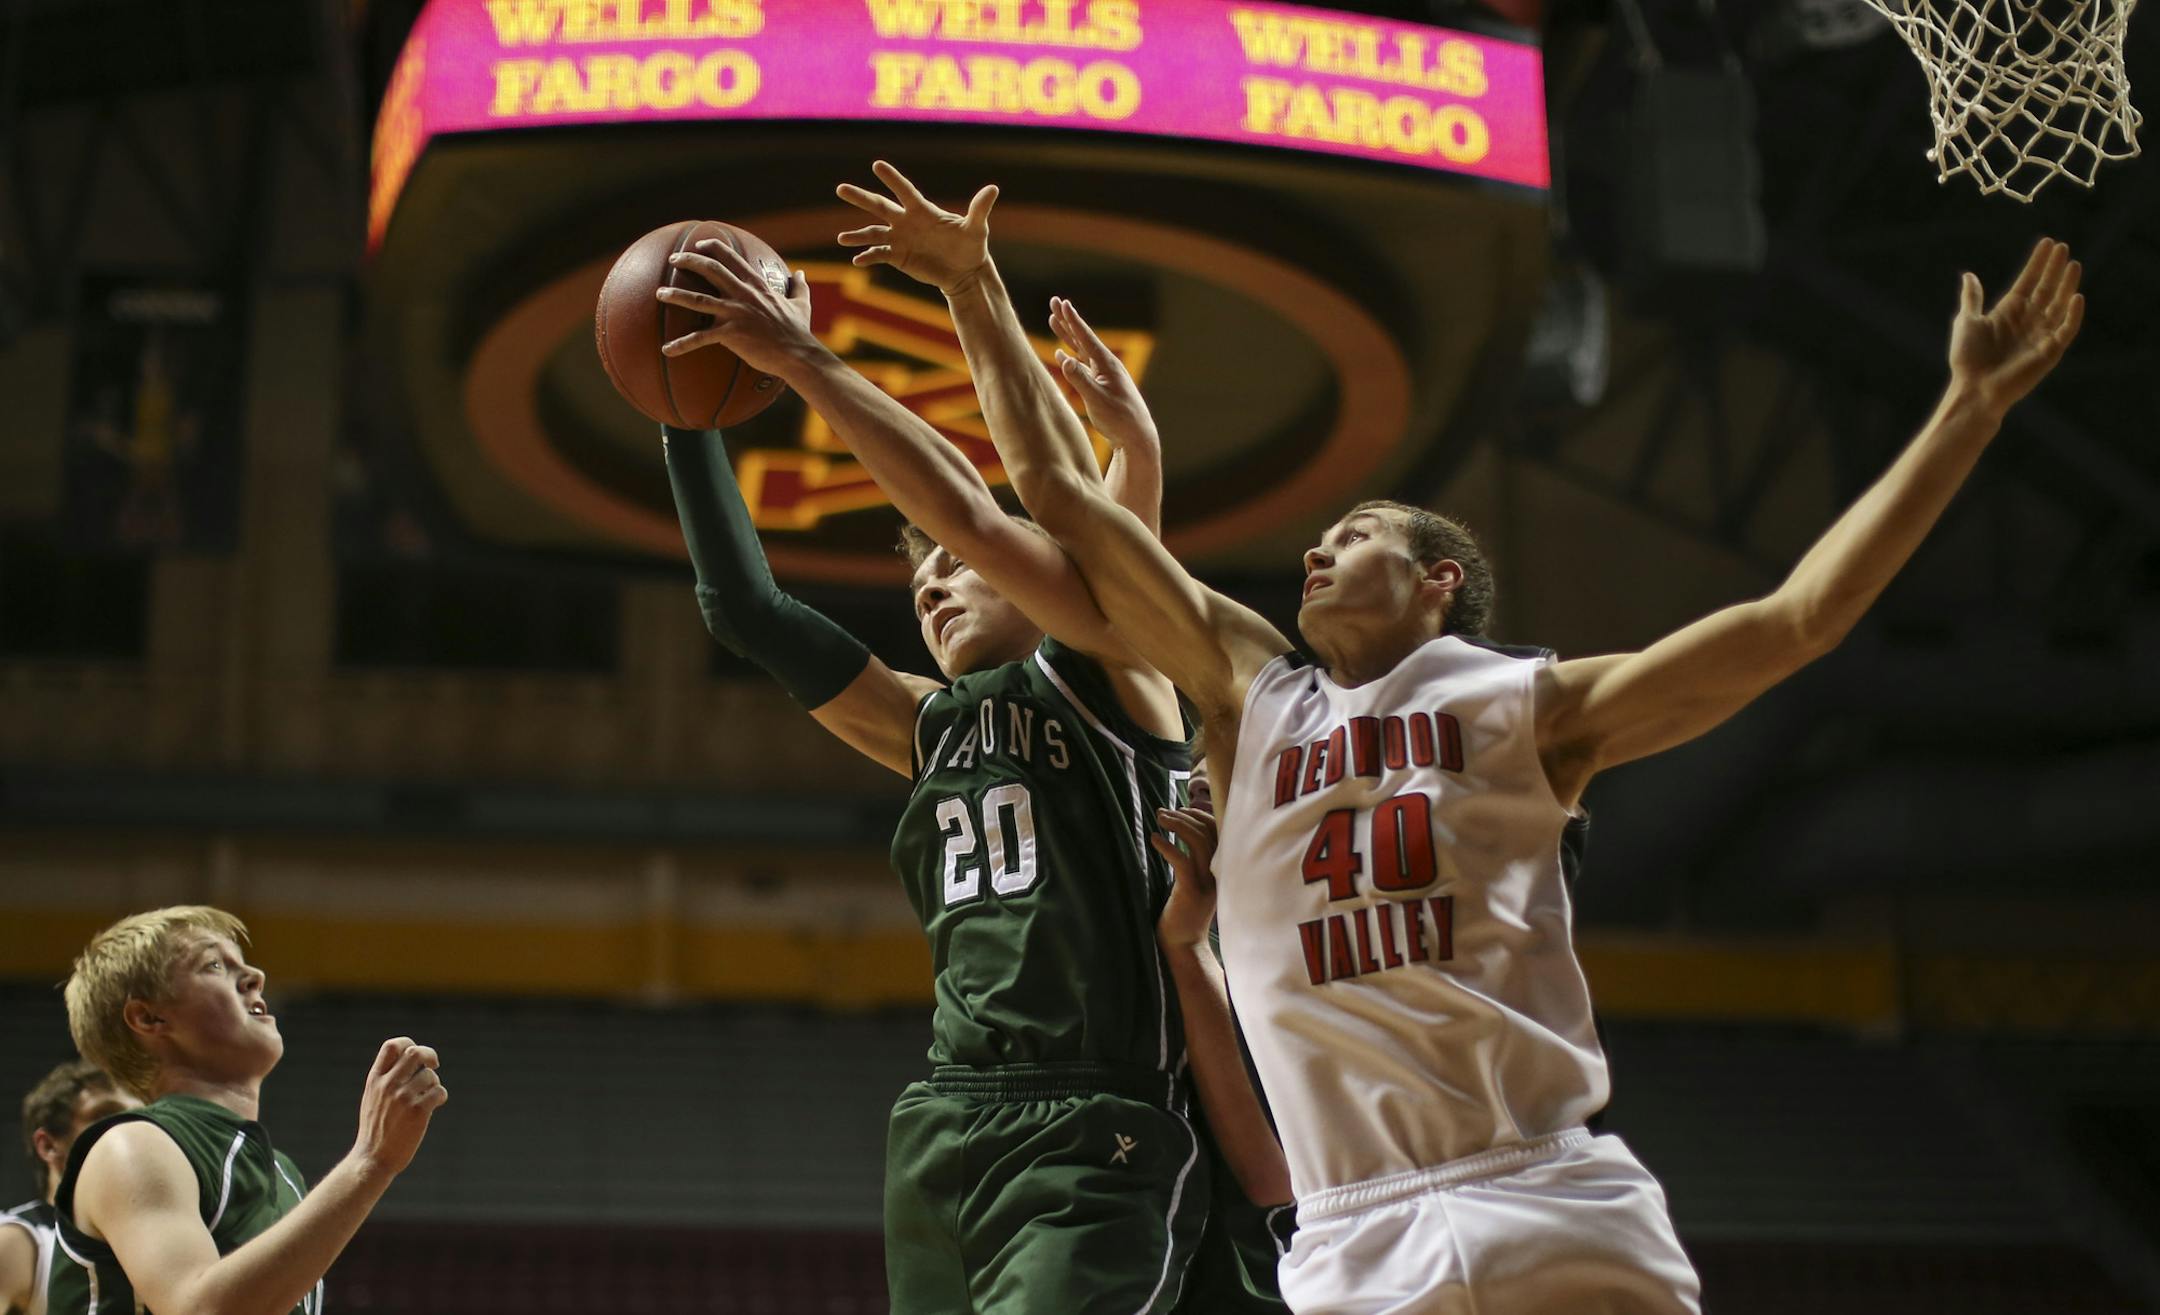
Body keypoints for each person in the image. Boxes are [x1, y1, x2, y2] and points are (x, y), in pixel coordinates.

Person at [837, 170, 2084, 1312]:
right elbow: (1057, 496)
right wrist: (971, 286)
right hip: (1348, 1230)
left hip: (1547, 1191)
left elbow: (1798, 621)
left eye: (1358, 531)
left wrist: (1965, 413)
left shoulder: (1530, 711)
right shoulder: (1247, 695)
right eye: (1319, 540)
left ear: (1440, 579)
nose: (1318, 549)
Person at [651, 207, 1291, 1311]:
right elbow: (743, 607)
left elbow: (1091, 537)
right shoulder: (921, 722)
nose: (934, 585)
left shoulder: (1114, 675)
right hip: (945, 1118)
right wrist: (682, 415)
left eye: (956, 566)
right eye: (919, 583)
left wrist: (1129, 462)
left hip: (1098, 1116)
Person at [46, 905, 445, 1315]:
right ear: (149, 1017)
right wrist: (370, 1161)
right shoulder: (131, 1146)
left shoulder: (281, 1172)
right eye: (214, 964)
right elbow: (200, 1309)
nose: (256, 976)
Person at [1, 1063, 140, 1315]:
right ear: (48, 1146)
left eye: (137, 1117)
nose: (127, 1131)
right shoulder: (16, 1240)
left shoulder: (157, 1233)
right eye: (106, 1115)